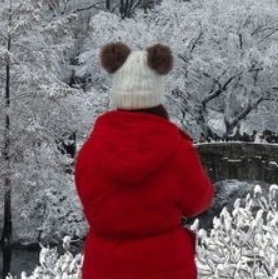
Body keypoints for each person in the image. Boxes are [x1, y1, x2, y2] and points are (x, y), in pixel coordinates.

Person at [75, 42, 213, 279]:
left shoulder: (91, 151)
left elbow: (88, 199)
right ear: (156, 95)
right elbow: (199, 201)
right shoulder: (178, 150)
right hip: (166, 264)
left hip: (105, 266)